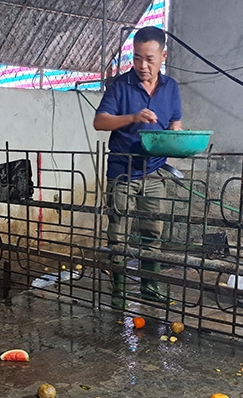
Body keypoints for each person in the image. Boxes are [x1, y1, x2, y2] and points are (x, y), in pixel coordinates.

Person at [93, 26, 183, 310]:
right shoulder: (120, 86)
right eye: (137, 58)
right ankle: (119, 289)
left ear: (163, 56)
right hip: (122, 169)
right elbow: (100, 121)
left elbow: (175, 124)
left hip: (155, 170)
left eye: (150, 58)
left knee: (152, 231)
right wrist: (132, 117)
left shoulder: (171, 88)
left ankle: (150, 286)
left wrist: (179, 139)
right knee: (118, 232)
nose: (143, 66)